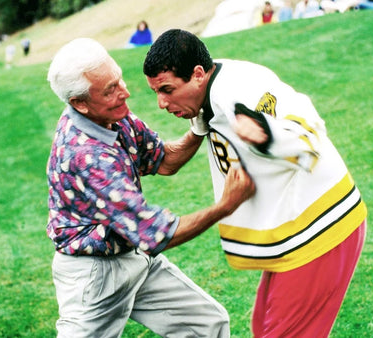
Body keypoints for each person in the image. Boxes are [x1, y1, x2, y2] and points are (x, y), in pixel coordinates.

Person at [143, 29, 367, 337]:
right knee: (262, 328)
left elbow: (308, 128)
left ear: (197, 75)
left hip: (320, 229)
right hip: (297, 232)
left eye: (167, 89)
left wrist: (267, 134)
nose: (161, 103)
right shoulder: (208, 93)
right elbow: (172, 158)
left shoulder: (240, 88)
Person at [45, 37, 255, 337]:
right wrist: (225, 206)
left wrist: (198, 125)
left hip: (132, 258)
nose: (124, 93)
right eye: (110, 90)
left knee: (208, 324)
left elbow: (165, 160)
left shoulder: (112, 117)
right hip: (94, 276)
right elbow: (157, 235)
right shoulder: (87, 156)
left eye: (119, 81)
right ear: (80, 103)